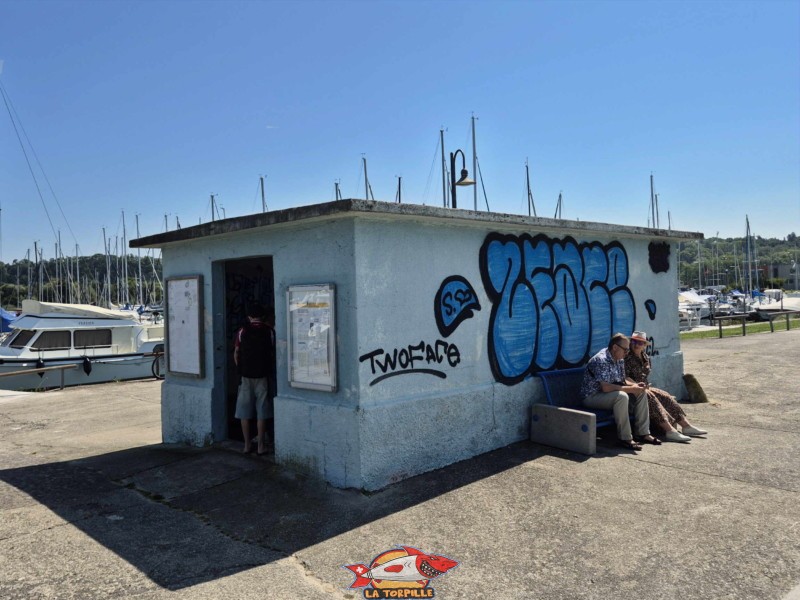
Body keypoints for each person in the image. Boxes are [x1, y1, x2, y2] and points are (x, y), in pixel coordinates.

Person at [624, 331, 707, 443]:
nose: (636, 344)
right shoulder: (627, 357)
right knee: (651, 397)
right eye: (634, 341)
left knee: (666, 396)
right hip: (632, 389)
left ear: (644, 345)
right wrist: (636, 385)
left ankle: (686, 426)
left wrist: (644, 386)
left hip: (644, 387)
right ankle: (669, 430)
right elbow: (624, 377)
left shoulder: (645, 357)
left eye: (640, 343)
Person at [581, 332, 657, 450]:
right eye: (625, 350)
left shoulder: (620, 359)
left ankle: (643, 433)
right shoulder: (601, 360)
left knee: (640, 392)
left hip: (609, 394)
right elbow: (605, 387)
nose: (627, 353)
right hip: (592, 396)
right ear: (615, 347)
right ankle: (625, 438)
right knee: (622, 397)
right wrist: (630, 389)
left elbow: (623, 380)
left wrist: (636, 385)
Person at [233, 302, 276, 455]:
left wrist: (241, 368)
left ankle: (246, 445)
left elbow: (236, 353)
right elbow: (272, 352)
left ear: (249, 316)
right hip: (263, 375)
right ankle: (261, 446)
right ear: (262, 316)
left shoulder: (242, 331)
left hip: (245, 376)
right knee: (262, 411)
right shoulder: (269, 331)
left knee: (244, 412)